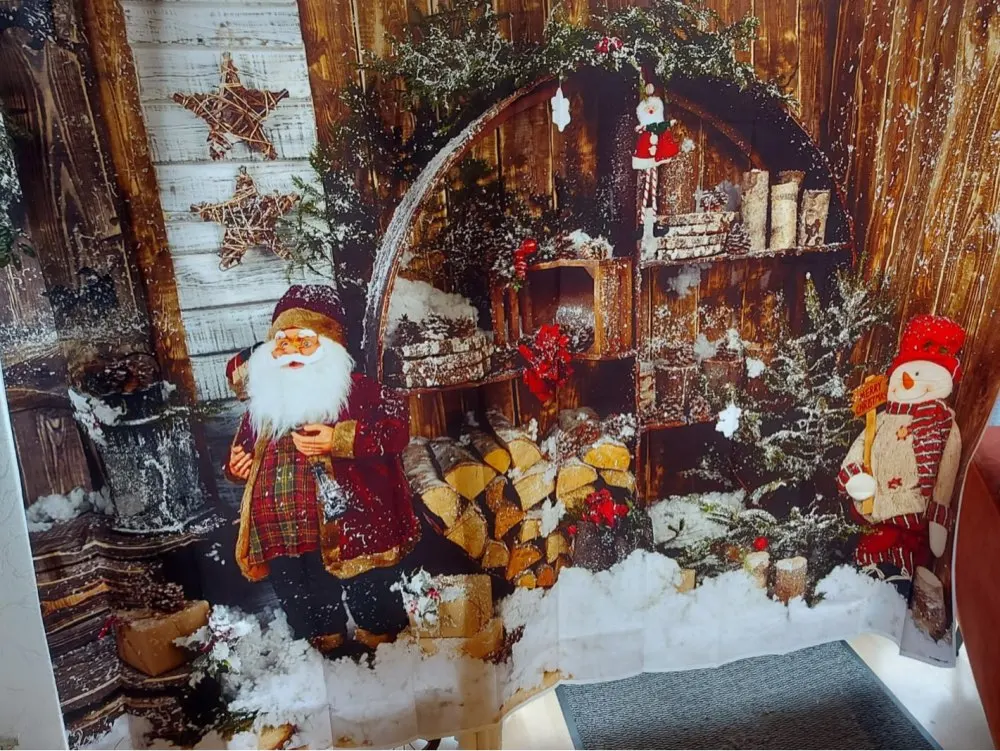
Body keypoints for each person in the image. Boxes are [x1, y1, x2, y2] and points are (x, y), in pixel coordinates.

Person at [225, 284, 420, 653]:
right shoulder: (266, 396)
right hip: (283, 528)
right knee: (303, 593)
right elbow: (244, 446)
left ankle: (383, 643)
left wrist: (340, 439)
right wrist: (236, 467)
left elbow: (396, 429)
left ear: (329, 345)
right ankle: (321, 644)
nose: (292, 351)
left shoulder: (355, 390)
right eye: (283, 342)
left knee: (368, 585)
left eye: (305, 341)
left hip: (349, 516)